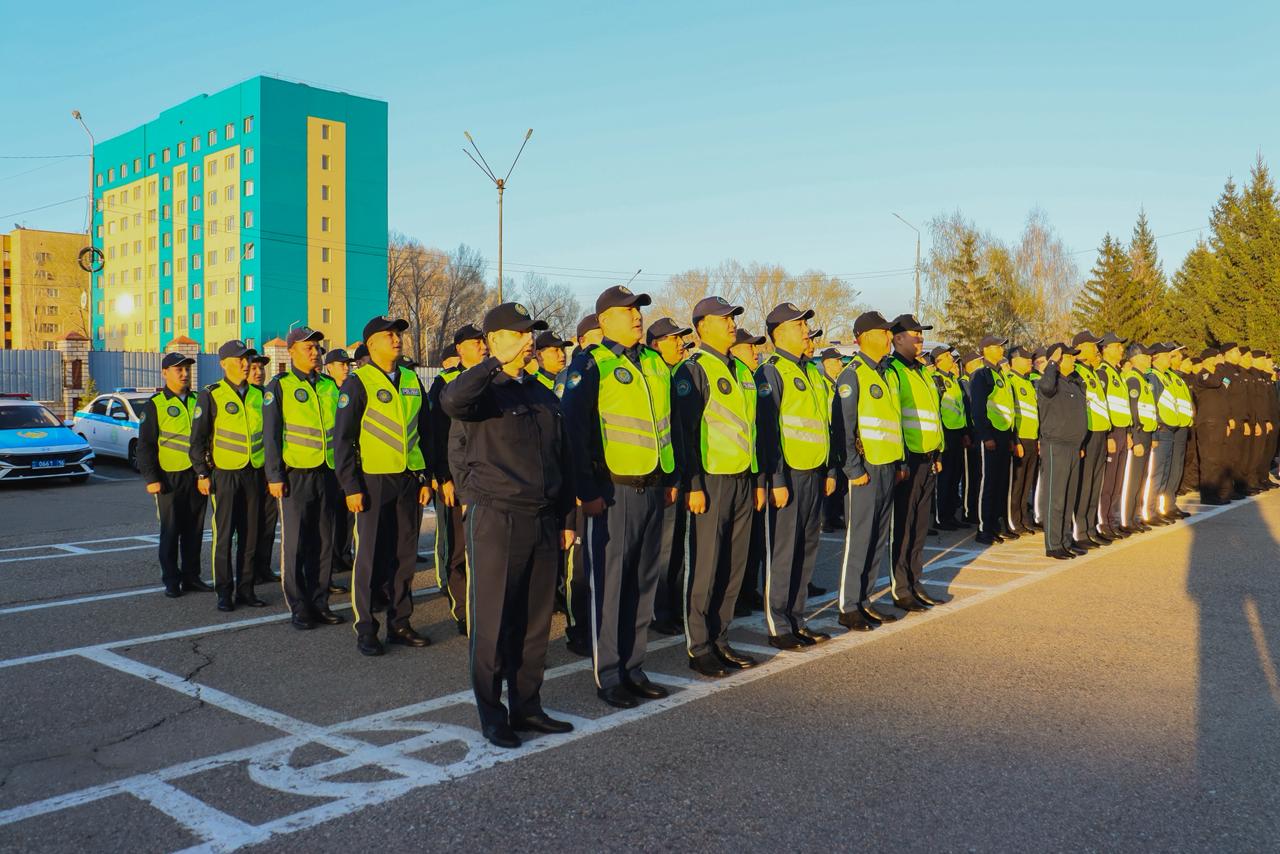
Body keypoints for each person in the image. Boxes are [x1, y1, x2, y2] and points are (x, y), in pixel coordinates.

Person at [441, 302, 575, 749]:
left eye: (530, 333)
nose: (528, 340)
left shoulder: (540, 392)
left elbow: (560, 458)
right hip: (497, 519)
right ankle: (492, 713)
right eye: (518, 334)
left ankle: (527, 705)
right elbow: (452, 401)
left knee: (535, 624)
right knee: (494, 621)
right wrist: (493, 362)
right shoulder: (483, 390)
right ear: (495, 340)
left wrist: (567, 517)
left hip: (542, 519)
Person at [561, 285, 675, 708]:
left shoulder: (654, 363)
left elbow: (666, 425)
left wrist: (669, 478)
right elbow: (574, 432)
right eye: (627, 311)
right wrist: (586, 491)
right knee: (609, 586)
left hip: (651, 488)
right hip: (611, 493)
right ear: (604, 320)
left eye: (638, 310)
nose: (636, 316)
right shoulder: (592, 364)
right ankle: (608, 674)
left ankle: (633, 666)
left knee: (644, 583)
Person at [671, 296, 764, 677]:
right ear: (701, 326)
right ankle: (699, 645)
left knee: (733, 566)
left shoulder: (742, 370)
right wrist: (693, 484)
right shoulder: (692, 370)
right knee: (706, 567)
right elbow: (685, 435)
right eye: (723, 319)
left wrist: (757, 479)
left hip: (742, 480)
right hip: (710, 482)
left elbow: (750, 429)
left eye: (732, 319)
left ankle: (721, 637)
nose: (731, 324)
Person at [334, 315, 433, 656]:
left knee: (405, 557)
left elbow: (424, 431)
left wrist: (425, 476)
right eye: (388, 335)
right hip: (373, 481)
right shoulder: (358, 382)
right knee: (370, 557)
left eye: (398, 335)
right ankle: (365, 627)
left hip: (408, 479)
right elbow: (343, 440)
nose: (396, 340)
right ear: (371, 343)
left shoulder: (410, 378)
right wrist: (350, 486)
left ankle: (400, 622)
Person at [756, 302, 836, 648]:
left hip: (814, 471)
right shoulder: (771, 371)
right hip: (787, 475)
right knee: (784, 551)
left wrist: (831, 468)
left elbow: (823, 425)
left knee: (807, 548)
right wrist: (776, 479)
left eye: (805, 324)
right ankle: (779, 624)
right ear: (779, 333)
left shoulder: (811, 371)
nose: (806, 330)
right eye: (798, 325)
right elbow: (768, 431)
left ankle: (797, 617)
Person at [263, 326, 346, 630]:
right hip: (295, 475)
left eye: (317, 347)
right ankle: (299, 606)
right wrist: (274, 475)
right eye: (308, 347)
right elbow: (271, 436)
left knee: (323, 542)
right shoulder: (279, 386)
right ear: (292, 351)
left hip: (327, 472)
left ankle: (320, 601)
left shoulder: (329, 385)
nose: (315, 352)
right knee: (296, 543)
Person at [833, 311, 907, 632]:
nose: (889, 337)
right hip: (865, 470)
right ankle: (849, 606)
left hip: (888, 465)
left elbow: (892, 422)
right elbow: (844, 426)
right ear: (865, 336)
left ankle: (865, 600)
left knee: (878, 537)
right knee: (859, 537)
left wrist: (900, 462)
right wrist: (852, 467)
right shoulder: (853, 374)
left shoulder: (886, 373)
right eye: (884, 332)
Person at [190, 340, 267, 612]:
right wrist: (202, 472)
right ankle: (224, 591)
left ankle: (246, 589)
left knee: (251, 535)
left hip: (254, 474)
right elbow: (198, 439)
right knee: (224, 536)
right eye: (239, 360)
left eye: (247, 359)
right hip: (225, 475)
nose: (245, 365)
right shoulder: (211, 395)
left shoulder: (260, 395)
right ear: (224, 364)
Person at [427, 324, 488, 635]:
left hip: (489, 480)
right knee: (458, 548)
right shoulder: (445, 383)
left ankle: (486, 609)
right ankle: (463, 610)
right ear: (459, 349)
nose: (482, 346)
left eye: (483, 341)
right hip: (457, 479)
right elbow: (436, 435)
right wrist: (442, 476)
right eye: (475, 342)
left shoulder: (494, 379)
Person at [137, 352, 212, 598]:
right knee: (171, 531)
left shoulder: (199, 400)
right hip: (169, 477)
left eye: (187, 369)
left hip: (197, 475)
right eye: (178, 369)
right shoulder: (155, 404)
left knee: (194, 529)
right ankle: (171, 579)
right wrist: (151, 478)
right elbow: (146, 445)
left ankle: (192, 576)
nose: (184, 373)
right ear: (165, 373)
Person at [558, 313, 604, 657]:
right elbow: (569, 435)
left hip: (604, 482)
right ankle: (578, 628)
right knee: (580, 564)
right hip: (578, 481)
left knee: (602, 562)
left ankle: (599, 625)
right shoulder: (573, 376)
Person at [646, 315, 694, 637]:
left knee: (676, 548)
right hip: (654, 477)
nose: (679, 343)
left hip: (674, 474)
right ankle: (657, 611)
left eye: (680, 338)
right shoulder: (653, 376)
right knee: (661, 551)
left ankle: (672, 607)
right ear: (655, 345)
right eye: (672, 338)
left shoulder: (674, 374)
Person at [729, 327, 769, 616]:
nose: (755, 352)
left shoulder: (749, 379)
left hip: (750, 471)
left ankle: (747, 590)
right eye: (749, 347)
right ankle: (738, 596)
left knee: (751, 542)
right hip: (722, 474)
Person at [1036, 343, 1088, 559]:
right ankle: (1053, 544)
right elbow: (1047, 388)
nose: (1074, 360)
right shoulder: (1049, 381)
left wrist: (1081, 444)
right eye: (1069, 357)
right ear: (1057, 360)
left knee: (1068, 497)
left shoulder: (1073, 384)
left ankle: (1066, 540)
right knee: (1055, 497)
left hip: (1074, 446)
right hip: (1055, 445)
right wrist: (1052, 363)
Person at [967, 335, 1015, 545]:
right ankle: (983, 528)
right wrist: (985, 436)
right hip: (990, 436)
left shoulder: (1001, 375)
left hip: (1004, 435)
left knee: (999, 482)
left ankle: (994, 524)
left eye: (1001, 346)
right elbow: (977, 409)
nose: (1001, 350)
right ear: (985, 350)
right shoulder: (981, 375)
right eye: (996, 346)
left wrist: (1011, 437)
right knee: (987, 483)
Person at [1071, 331, 1113, 545]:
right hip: (1086, 434)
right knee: (1084, 484)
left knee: (1095, 484)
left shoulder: (1093, 372)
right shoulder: (1076, 372)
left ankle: (1089, 527)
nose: (1096, 348)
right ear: (1080, 347)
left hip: (1099, 432)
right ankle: (1079, 530)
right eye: (1092, 345)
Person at [1095, 333, 1136, 536]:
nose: (1121, 350)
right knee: (1108, 482)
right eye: (1117, 346)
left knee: (1118, 482)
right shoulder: (1102, 373)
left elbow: (1123, 407)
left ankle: (1112, 520)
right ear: (1106, 349)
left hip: (1122, 432)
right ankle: (1103, 523)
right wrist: (1109, 435)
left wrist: (1127, 432)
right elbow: (1102, 406)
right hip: (1111, 434)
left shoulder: (1117, 373)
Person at [323, 348, 356, 593]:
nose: (346, 368)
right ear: (329, 368)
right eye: (341, 364)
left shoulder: (352, 388)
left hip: (350, 462)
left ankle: (344, 554)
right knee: (330, 517)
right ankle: (331, 561)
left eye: (348, 364)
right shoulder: (326, 389)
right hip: (327, 463)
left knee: (348, 514)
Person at [246, 354, 281, 585]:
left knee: (269, 521)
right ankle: (248, 570)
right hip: (246, 469)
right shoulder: (239, 396)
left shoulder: (268, 395)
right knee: (249, 525)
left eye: (261, 368)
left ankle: (264, 566)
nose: (259, 372)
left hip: (268, 469)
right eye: (254, 368)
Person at [1118, 344, 1158, 532]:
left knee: (1141, 479)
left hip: (1147, 433)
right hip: (1139, 434)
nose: (1149, 359)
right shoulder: (1133, 379)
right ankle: (1126, 520)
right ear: (1135, 359)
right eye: (1145, 356)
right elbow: (1133, 410)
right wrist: (1136, 437)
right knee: (1132, 480)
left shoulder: (1143, 379)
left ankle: (1134, 516)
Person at [930, 346, 969, 530]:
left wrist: (964, 433)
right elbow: (936, 409)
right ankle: (941, 517)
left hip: (957, 432)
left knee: (955, 476)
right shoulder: (936, 380)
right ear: (938, 360)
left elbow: (960, 408)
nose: (951, 358)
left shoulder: (952, 379)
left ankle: (951, 514)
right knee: (944, 478)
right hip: (945, 432)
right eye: (947, 356)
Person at [1005, 346, 1040, 536]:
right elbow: (1010, 414)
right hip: (1019, 439)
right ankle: (1013, 520)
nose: (1029, 361)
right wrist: (1015, 440)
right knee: (1016, 484)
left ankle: (1023, 519)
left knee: (1026, 483)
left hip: (1032, 438)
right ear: (1014, 360)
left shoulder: (1027, 382)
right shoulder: (1010, 381)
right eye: (1026, 358)